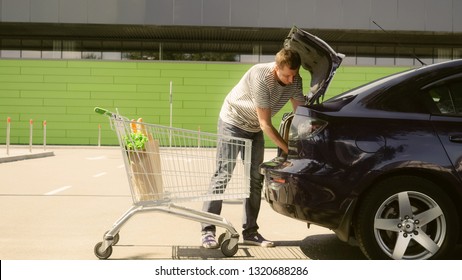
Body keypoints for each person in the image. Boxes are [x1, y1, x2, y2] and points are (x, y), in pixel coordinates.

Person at [201, 48, 306, 248]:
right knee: (223, 174)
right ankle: (208, 231)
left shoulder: (296, 80)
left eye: (295, 75)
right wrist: (288, 149)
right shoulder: (260, 76)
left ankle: (250, 232)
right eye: (287, 75)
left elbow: (300, 115)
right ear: (276, 68)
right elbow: (266, 124)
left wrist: (304, 140)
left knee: (255, 179)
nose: (292, 80)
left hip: (254, 127)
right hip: (233, 122)